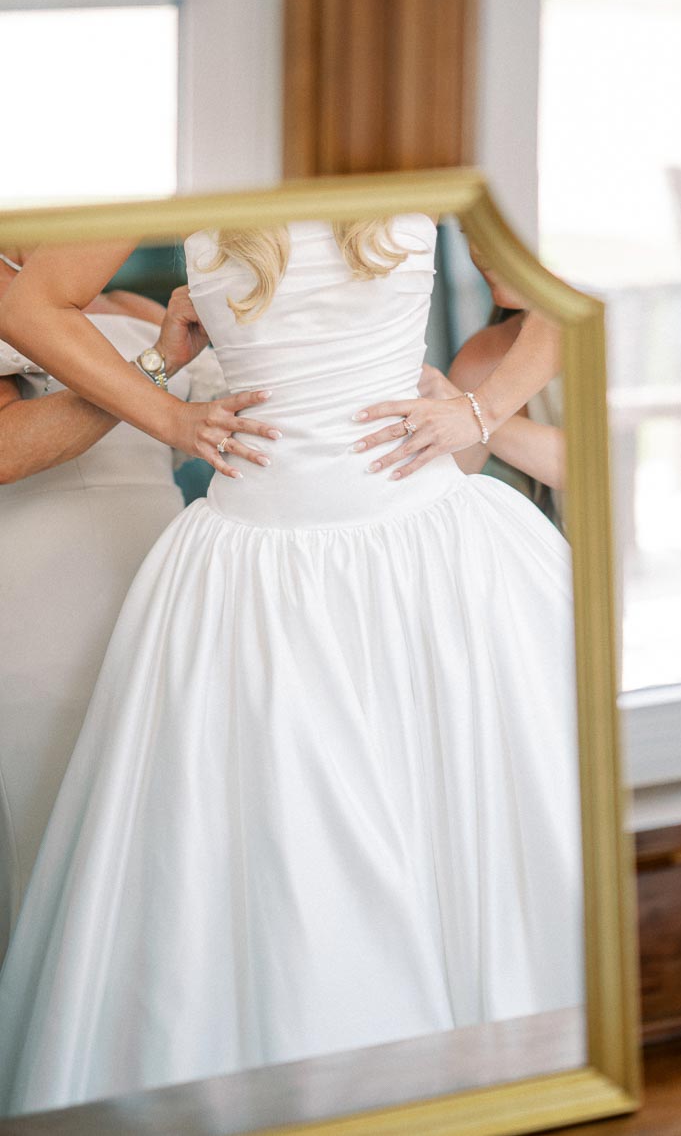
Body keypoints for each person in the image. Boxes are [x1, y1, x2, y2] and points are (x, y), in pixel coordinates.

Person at [0, 216, 581, 1114]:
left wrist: (481, 409)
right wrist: (170, 414)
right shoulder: (177, 154)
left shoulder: (407, 132)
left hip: (430, 554)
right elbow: (33, 304)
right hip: (253, 573)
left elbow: (567, 278)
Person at [0, 248, 248, 960]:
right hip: (45, 587)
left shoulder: (137, 311)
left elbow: (194, 434)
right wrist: (157, 371)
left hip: (163, 575)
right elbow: (6, 451)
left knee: (174, 835)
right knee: (59, 839)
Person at [417, 241, 565, 525]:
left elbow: (600, 468)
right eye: (466, 232)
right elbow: (443, 494)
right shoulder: (484, 357)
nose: (479, 248)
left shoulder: (618, 325)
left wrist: (469, 412)